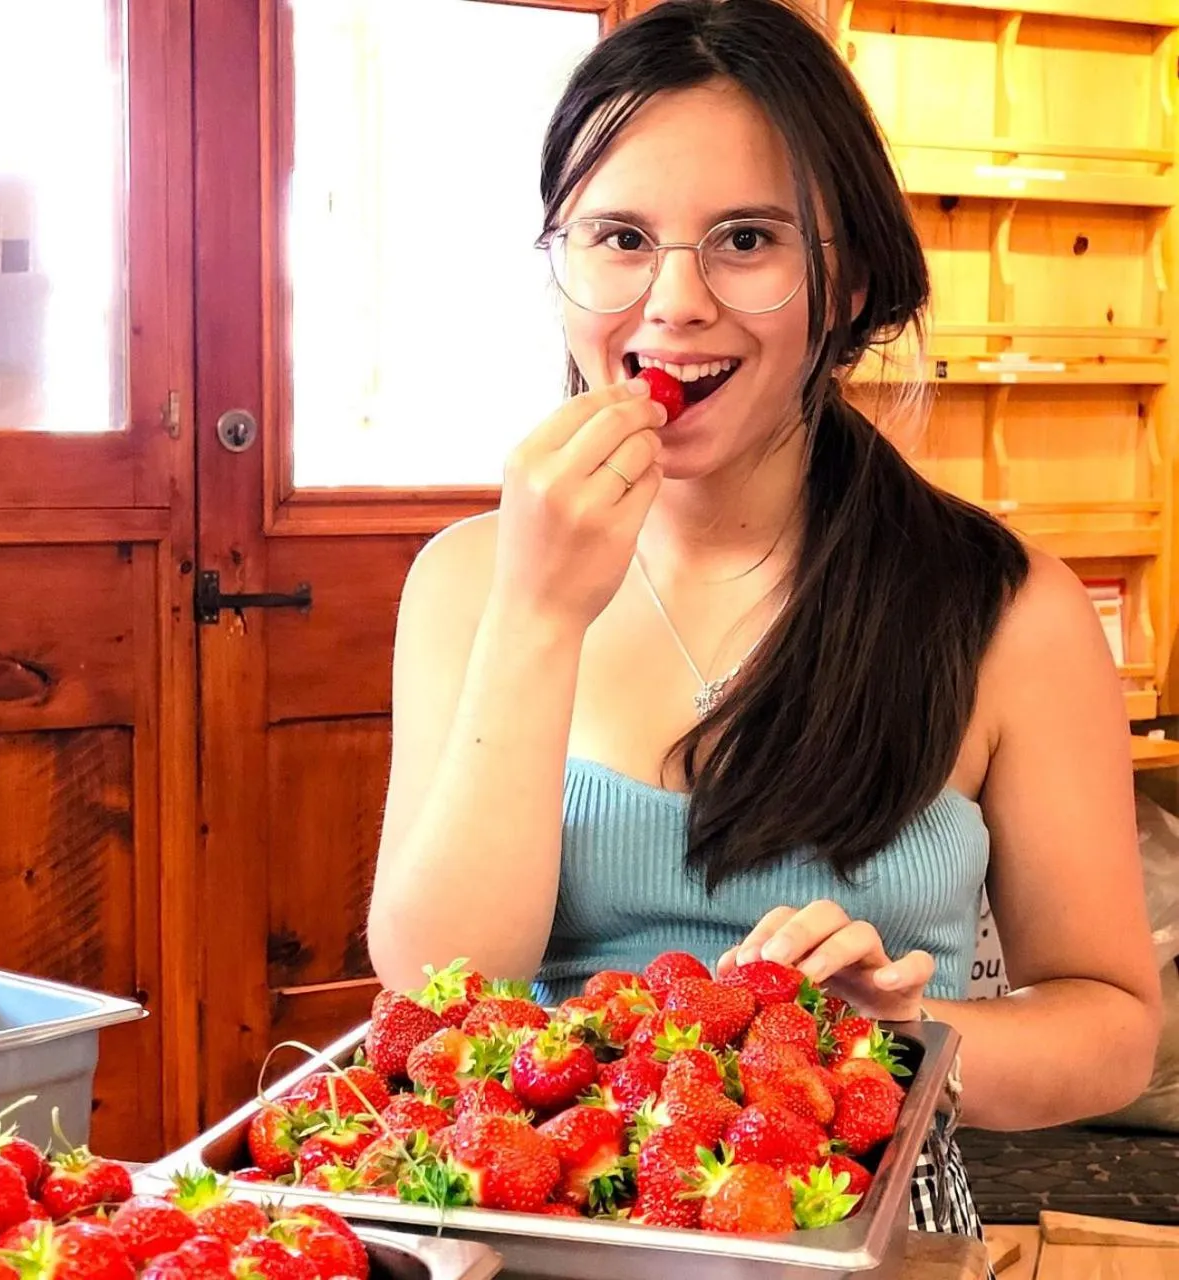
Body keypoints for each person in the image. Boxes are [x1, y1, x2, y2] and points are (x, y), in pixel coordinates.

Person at [366, 0, 1161, 1241]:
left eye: (746, 239)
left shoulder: (1012, 608)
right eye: (620, 237)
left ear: (841, 284)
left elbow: (1112, 1023)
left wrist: (901, 1043)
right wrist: (538, 610)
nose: (672, 303)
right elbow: (435, 989)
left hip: (863, 1212)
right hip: (535, 1206)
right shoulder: (470, 579)